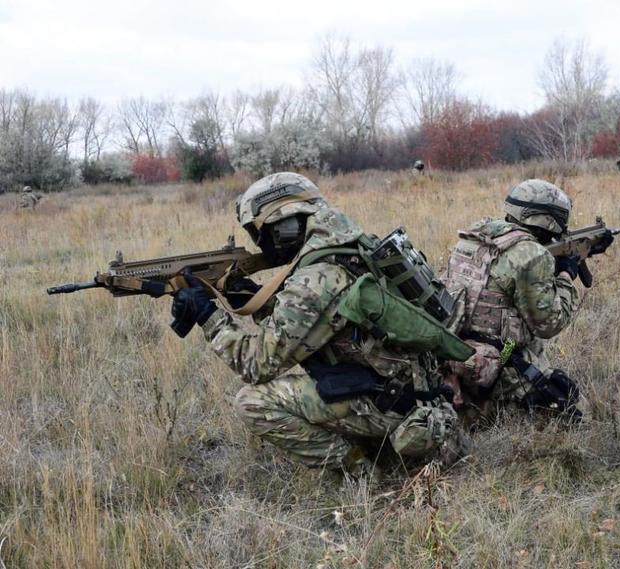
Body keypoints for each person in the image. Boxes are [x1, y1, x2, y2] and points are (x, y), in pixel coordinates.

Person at [169, 172, 470, 475]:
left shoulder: (317, 277)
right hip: (413, 392)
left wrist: (210, 318)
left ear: (284, 226)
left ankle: (361, 470)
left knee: (252, 402)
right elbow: (318, 324)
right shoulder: (349, 245)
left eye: (261, 232)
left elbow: (257, 364)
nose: (260, 243)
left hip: (396, 405)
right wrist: (250, 298)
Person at [443, 179, 611, 422]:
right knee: (564, 399)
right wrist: (566, 274)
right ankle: (499, 407)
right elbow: (550, 324)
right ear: (548, 220)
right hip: (503, 355)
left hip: (457, 350)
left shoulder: (476, 235)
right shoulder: (532, 255)